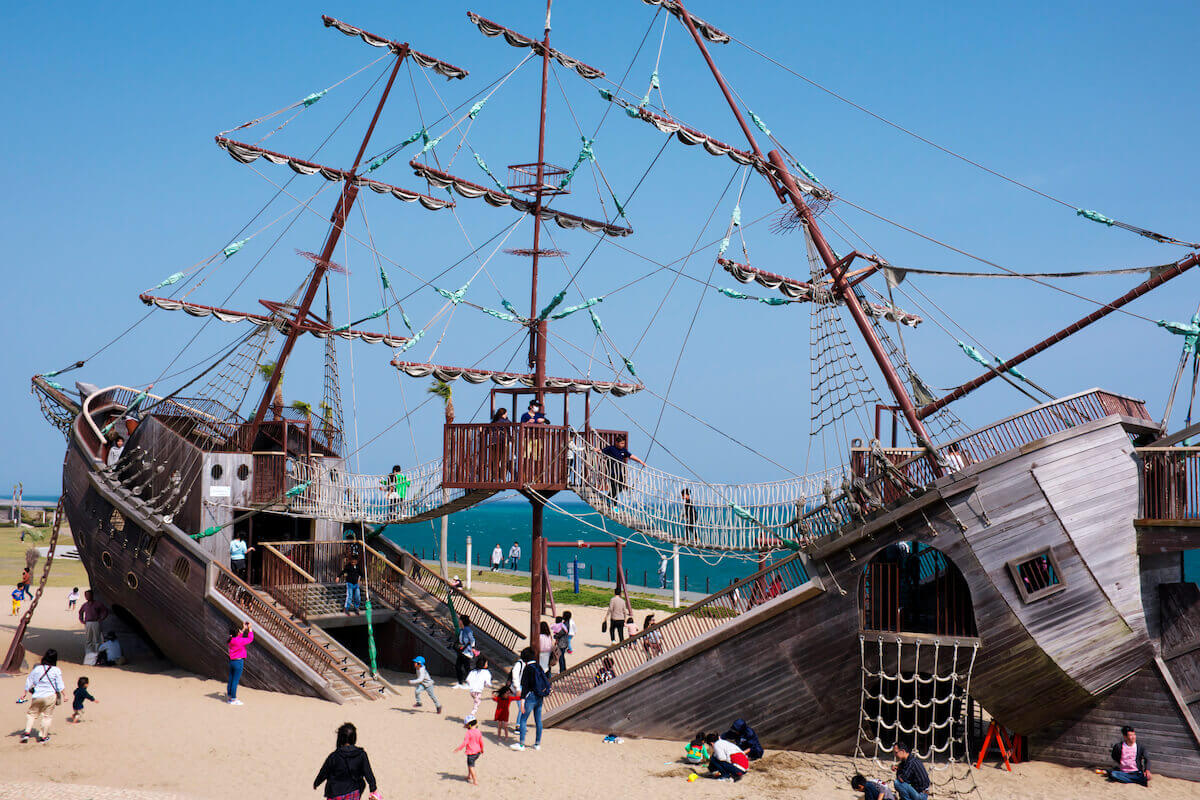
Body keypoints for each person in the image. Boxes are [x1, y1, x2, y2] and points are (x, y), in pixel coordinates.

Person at [313, 722, 380, 800]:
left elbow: (324, 772)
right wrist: (373, 788)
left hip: (335, 793)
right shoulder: (361, 754)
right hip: (354, 791)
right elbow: (368, 773)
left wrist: (316, 783)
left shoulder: (334, 756)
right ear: (354, 738)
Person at [18, 649, 65, 743]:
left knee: (31, 714)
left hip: (37, 695)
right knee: (47, 716)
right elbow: (59, 685)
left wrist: (24, 693)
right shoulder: (56, 670)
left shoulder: (37, 669)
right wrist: (65, 695)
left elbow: (29, 681)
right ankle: (43, 737)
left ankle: (27, 733)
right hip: (50, 696)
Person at [511, 649, 548, 751]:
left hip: (530, 696)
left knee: (523, 719)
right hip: (539, 696)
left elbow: (525, 687)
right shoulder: (538, 666)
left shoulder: (528, 668)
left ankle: (522, 744)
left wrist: (522, 701)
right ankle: (537, 744)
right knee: (538, 720)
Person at [226, 620, 253, 705]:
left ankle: (230, 697)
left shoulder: (231, 640)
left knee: (231, 679)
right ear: (237, 633)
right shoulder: (238, 641)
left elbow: (238, 636)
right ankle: (233, 699)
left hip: (232, 661)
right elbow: (250, 639)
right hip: (238, 662)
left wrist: (244, 629)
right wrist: (250, 629)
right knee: (235, 681)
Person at [454, 716, 484, 786]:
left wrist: (459, 748)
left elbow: (465, 742)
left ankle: (475, 780)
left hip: (471, 753)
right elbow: (481, 741)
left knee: (471, 766)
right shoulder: (478, 731)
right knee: (470, 764)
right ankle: (469, 776)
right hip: (478, 752)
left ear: (468, 725)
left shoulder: (468, 733)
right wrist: (482, 749)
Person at [78, 590, 110, 654]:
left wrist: (101, 618)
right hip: (87, 623)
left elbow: (105, 611)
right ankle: (88, 653)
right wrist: (82, 620)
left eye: (89, 595)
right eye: (86, 595)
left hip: (95, 622)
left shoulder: (98, 604)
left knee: (97, 639)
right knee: (88, 639)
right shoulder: (85, 605)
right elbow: (80, 612)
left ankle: (97, 653)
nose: (87, 597)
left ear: (92, 595)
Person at [455, 615, 477, 688]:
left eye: (460, 620)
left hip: (467, 651)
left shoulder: (468, 630)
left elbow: (472, 639)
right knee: (458, 666)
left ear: (462, 621)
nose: (459, 621)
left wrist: (473, 647)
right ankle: (460, 682)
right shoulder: (462, 630)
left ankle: (469, 683)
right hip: (462, 651)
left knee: (466, 667)